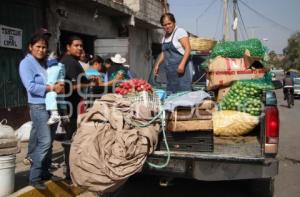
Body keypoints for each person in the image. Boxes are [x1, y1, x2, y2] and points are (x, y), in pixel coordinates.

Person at [19, 34, 64, 189]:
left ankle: (45, 172)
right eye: (38, 46)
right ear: (30, 47)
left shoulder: (44, 63)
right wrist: (52, 88)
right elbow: (30, 87)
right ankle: (35, 176)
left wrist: (59, 85)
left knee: (50, 142)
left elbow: (52, 79)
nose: (41, 49)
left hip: (51, 106)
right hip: (38, 106)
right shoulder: (26, 63)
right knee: (44, 142)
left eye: (44, 47)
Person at [60, 35, 89, 180]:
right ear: (68, 47)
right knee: (72, 140)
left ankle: (71, 172)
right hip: (71, 107)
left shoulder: (70, 61)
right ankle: (70, 174)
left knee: (71, 140)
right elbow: (70, 87)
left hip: (71, 106)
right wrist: (89, 84)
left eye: (81, 46)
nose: (79, 48)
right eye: (76, 45)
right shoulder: (70, 63)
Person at [153, 13, 192, 94]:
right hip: (170, 77)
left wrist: (182, 64)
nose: (167, 26)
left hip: (181, 75)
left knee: (183, 99)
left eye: (169, 23)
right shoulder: (164, 37)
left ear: (174, 22)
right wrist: (157, 64)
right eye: (164, 25)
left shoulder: (180, 32)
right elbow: (164, 53)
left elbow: (188, 49)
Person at [45, 52, 66, 125]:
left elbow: (51, 83)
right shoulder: (60, 66)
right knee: (60, 96)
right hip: (59, 77)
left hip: (53, 66)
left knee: (50, 91)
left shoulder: (52, 68)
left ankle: (54, 114)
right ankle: (64, 115)